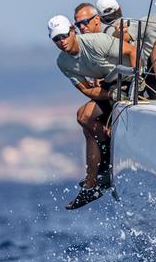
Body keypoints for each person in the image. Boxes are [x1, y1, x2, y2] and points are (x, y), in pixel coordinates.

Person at [48, 14, 137, 210]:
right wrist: (112, 95)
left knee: (86, 122)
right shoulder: (63, 62)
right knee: (84, 118)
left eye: (63, 35)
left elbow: (132, 51)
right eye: (56, 39)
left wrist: (136, 83)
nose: (61, 41)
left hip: (131, 81)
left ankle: (94, 179)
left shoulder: (96, 42)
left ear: (72, 30)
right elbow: (87, 89)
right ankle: (96, 176)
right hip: (111, 88)